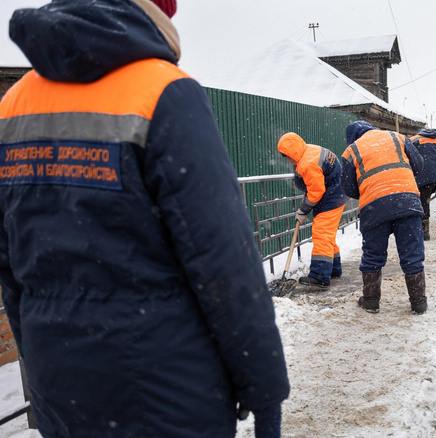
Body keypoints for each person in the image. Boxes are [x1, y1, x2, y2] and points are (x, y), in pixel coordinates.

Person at [0, 1, 289, 437]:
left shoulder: (13, 105)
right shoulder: (163, 91)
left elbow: (10, 265)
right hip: (166, 385)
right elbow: (224, 261)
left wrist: (45, 361)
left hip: (60, 386)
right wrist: (264, 386)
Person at [341, 121, 427, 314]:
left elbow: (348, 187)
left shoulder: (351, 151)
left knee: (373, 254)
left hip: (374, 207)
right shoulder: (397, 137)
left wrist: (369, 187)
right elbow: (419, 165)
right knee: (412, 252)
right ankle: (419, 302)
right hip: (407, 201)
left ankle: (371, 300)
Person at [278, 132, 345, 288]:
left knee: (321, 233)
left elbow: (316, 190)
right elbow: (313, 187)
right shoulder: (309, 150)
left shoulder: (308, 163)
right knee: (327, 234)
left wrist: (303, 210)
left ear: (292, 152)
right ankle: (333, 269)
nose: (287, 160)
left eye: (286, 156)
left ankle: (320, 276)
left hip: (331, 197)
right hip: (335, 193)